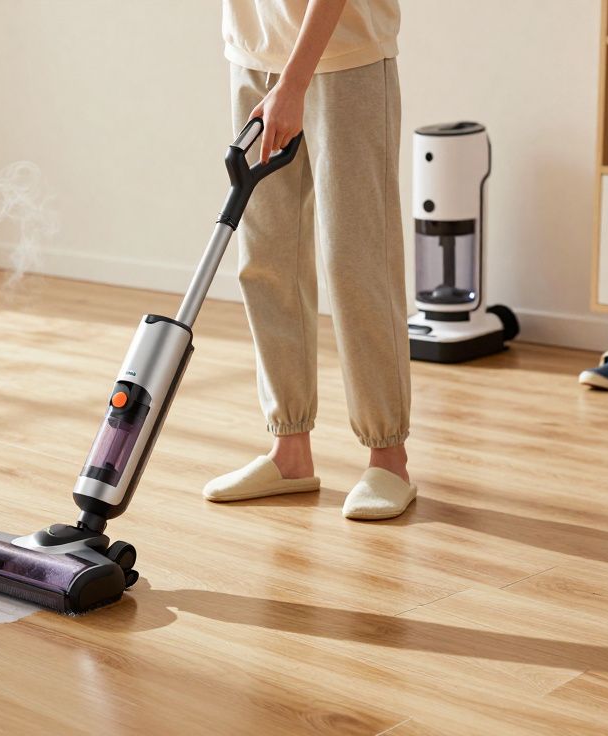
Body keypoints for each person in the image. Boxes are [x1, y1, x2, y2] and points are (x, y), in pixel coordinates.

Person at [203, 0, 416, 520]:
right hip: (253, 56)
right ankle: (290, 451)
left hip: (346, 58)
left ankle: (388, 457)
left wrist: (293, 85)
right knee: (265, 256)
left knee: (356, 258)